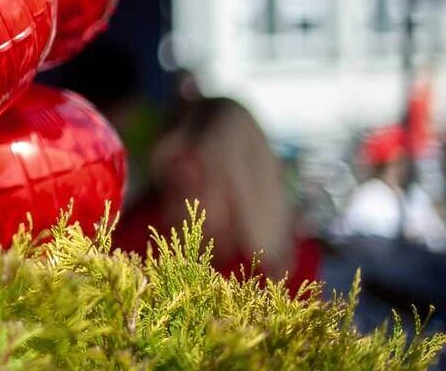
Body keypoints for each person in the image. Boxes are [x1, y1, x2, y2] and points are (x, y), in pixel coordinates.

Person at [115, 96, 319, 286]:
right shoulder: (144, 236)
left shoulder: (293, 266)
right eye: (168, 187)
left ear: (240, 188)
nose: (172, 207)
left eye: (188, 187)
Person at [337, 125, 446, 250]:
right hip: (379, 264)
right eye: (395, 163)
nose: (401, 169)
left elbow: (437, 235)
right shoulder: (368, 196)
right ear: (382, 165)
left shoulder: (414, 194)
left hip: (417, 262)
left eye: (404, 162)